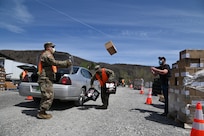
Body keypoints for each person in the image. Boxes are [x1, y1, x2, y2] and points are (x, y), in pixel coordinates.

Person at [37, 42, 72, 119]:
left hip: (46, 78)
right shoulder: (47, 54)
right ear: (48, 47)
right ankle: (42, 112)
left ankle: (42, 111)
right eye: (52, 47)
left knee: (46, 95)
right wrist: (66, 63)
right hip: (45, 78)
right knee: (48, 96)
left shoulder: (46, 54)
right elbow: (54, 62)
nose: (54, 49)